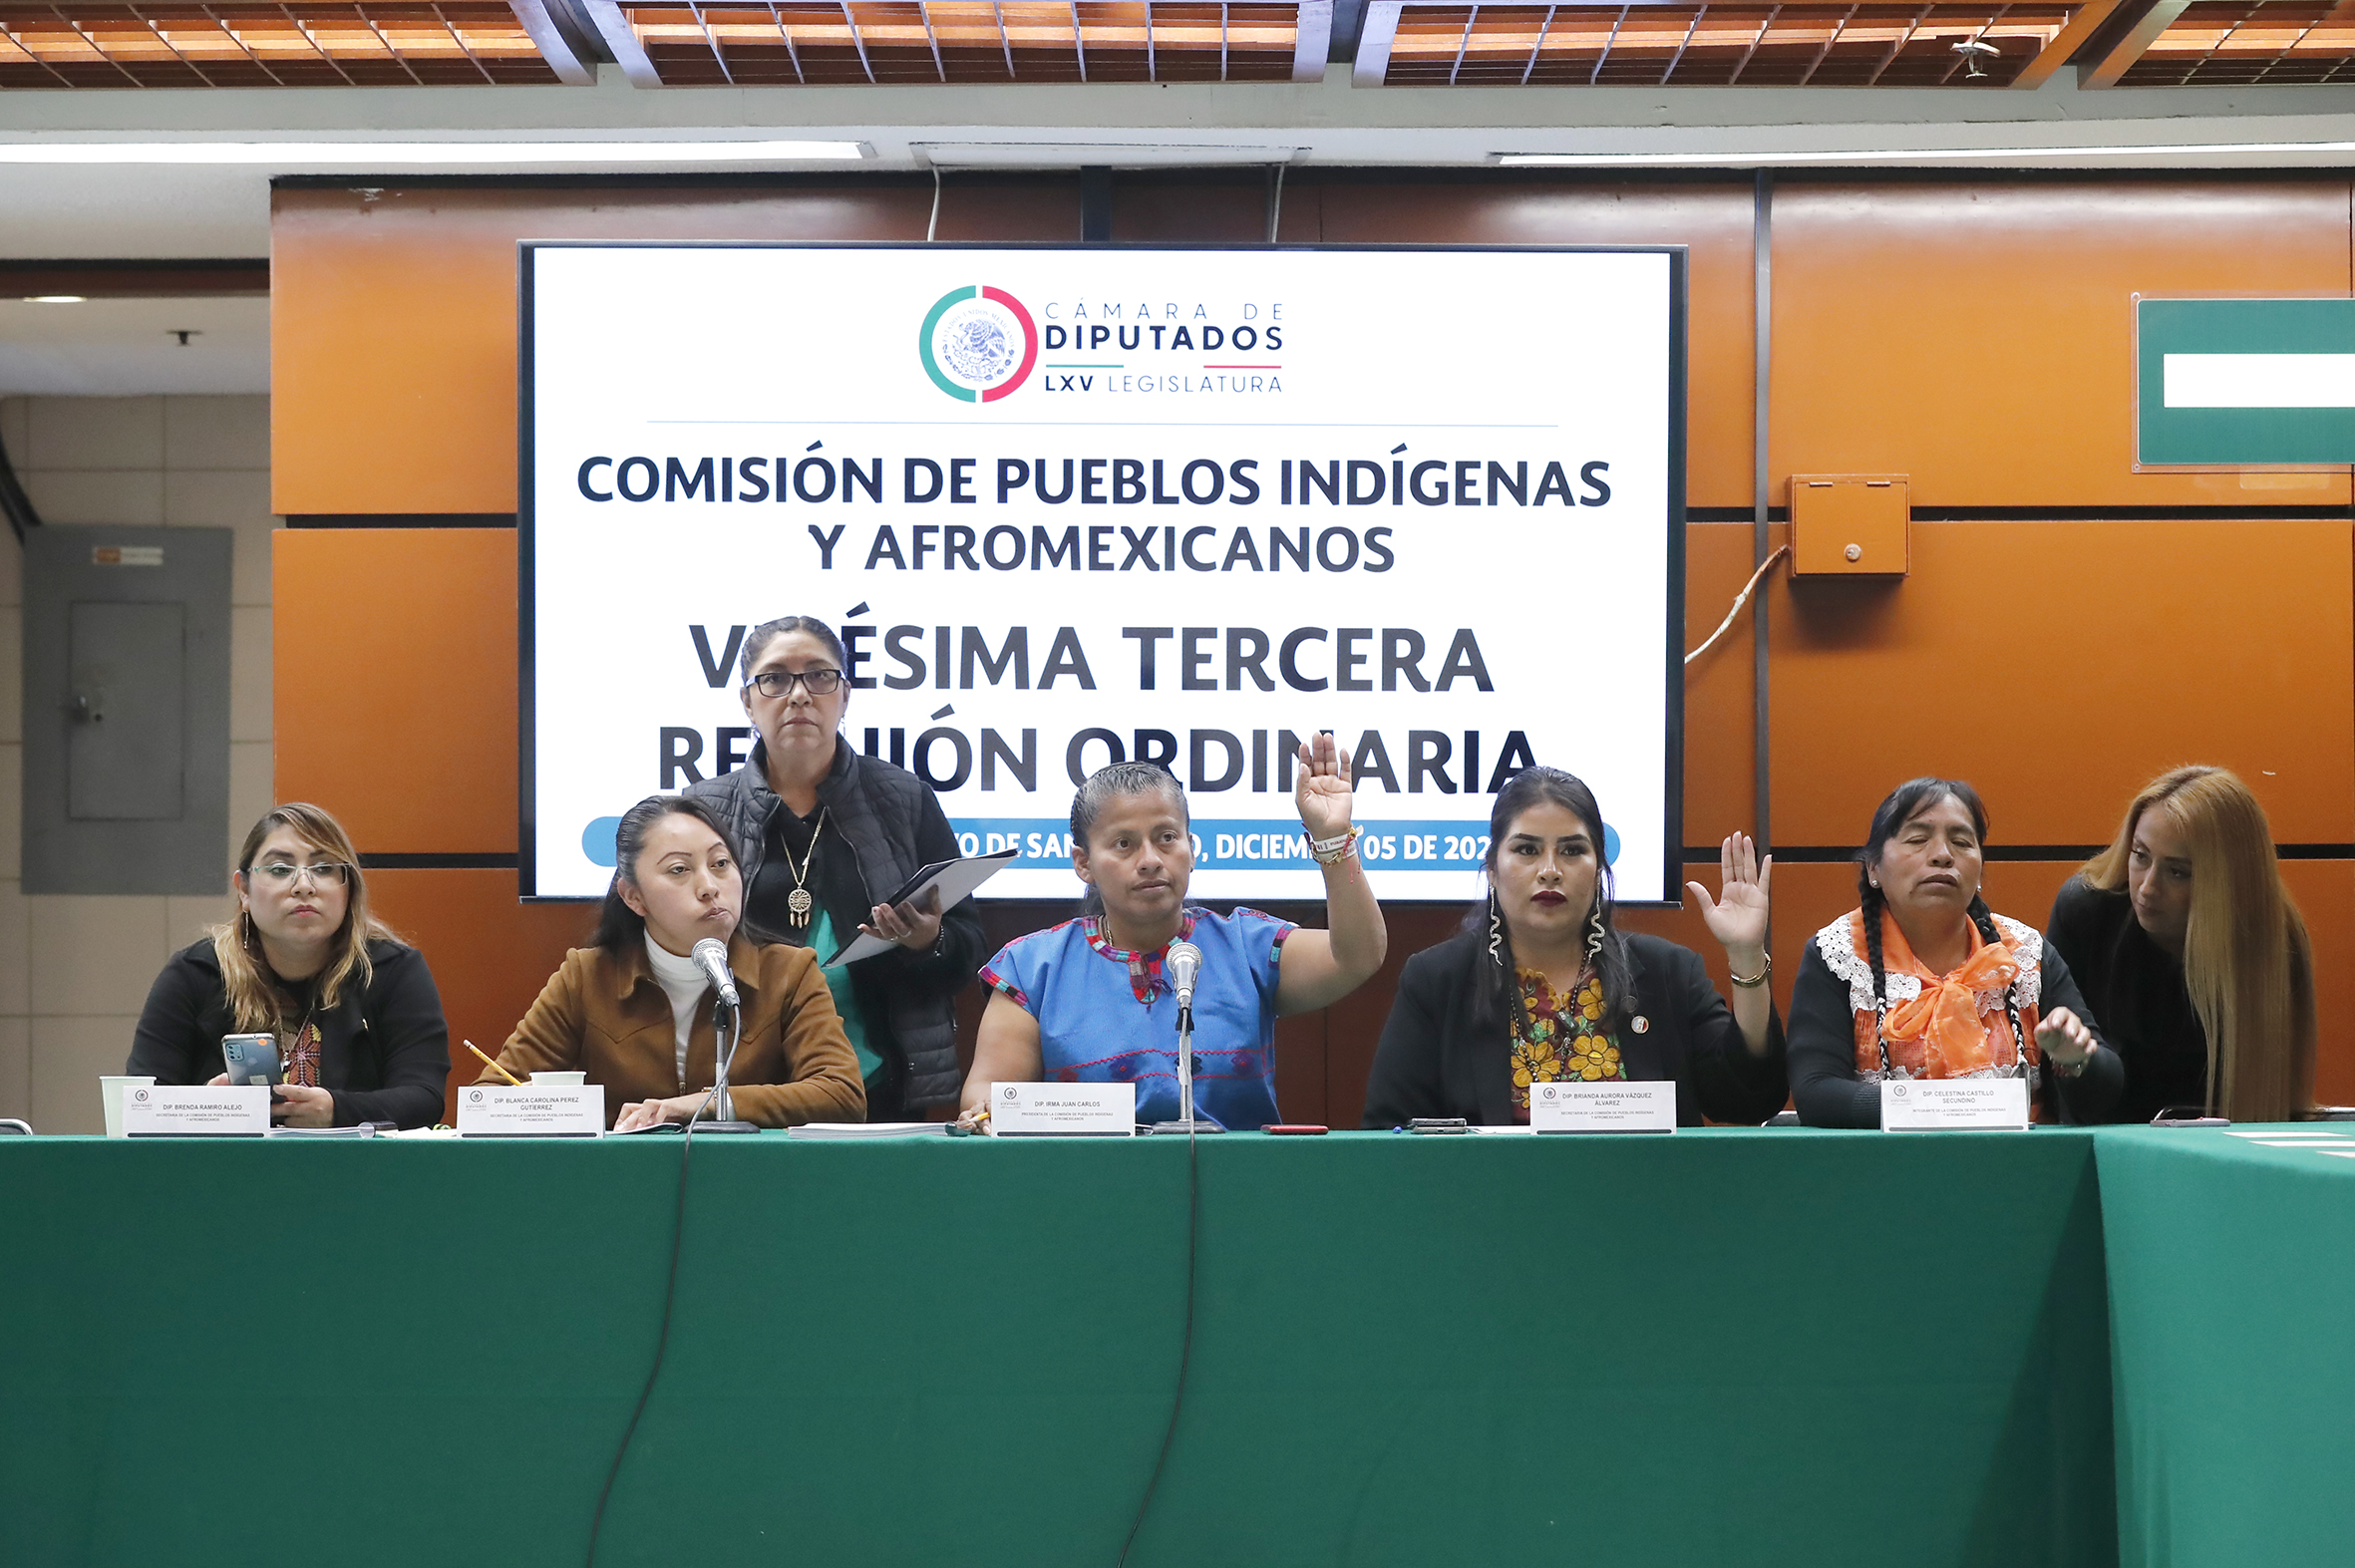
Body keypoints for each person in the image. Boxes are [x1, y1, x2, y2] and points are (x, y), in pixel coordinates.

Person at [959, 738, 1388, 1129]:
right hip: (1084, 1184)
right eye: (1124, 844)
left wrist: (1332, 839)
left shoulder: (1246, 946)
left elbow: (1357, 956)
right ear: (1083, 864)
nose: (1150, 859)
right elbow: (988, 1097)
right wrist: (985, 1112)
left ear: (1191, 849)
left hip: (1239, 1185)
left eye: (1166, 837)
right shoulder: (1032, 969)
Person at [1362, 768, 1788, 1127]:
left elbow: (1746, 1101)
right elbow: (1389, 1135)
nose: (1550, 870)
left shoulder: (1667, 972)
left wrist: (1746, 956)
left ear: (1599, 868)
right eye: (1527, 849)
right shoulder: (1437, 981)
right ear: (1492, 868)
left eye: (1572, 851)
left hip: (1646, 1198)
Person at [686, 616, 981, 1121]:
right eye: (775, 678)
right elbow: (659, 943)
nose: (799, 695)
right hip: (742, 1088)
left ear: (844, 695)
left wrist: (926, 942)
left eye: (820, 675)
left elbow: (968, 948)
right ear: (747, 701)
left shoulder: (903, 799)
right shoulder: (703, 809)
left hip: (879, 1091)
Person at [481, 794, 862, 1130]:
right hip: (620, 1181)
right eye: (679, 870)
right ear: (634, 897)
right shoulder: (587, 977)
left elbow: (841, 1094)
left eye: (720, 863)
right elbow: (490, 1098)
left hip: (747, 1180)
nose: (709, 887)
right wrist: (564, 1110)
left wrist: (704, 1104)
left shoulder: (788, 972)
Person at [1789, 778, 2119, 1127]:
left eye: (1961, 842)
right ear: (1874, 868)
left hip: (2017, 1158)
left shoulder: (2023, 952)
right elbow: (1815, 1091)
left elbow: (2109, 1087)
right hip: (1887, 1160)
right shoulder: (1839, 954)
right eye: (1918, 840)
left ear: (1980, 871)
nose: (1943, 855)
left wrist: (2076, 1059)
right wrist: (1941, 1109)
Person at [129, 802, 450, 1128]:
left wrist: (337, 1111)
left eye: (323, 868)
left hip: (356, 1161)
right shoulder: (196, 973)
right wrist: (205, 1108)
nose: (304, 886)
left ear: (348, 889)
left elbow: (424, 1097)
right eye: (280, 869)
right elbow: (141, 1102)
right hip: (227, 1161)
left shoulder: (391, 971)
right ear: (244, 890)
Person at [2048, 766, 2316, 1123]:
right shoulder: (2086, 910)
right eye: (2140, 855)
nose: (2147, 888)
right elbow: (2055, 1084)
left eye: (2178, 872)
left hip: (2218, 1143)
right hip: (2097, 1135)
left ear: (2228, 880)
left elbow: (2270, 1100)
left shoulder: (2273, 937)